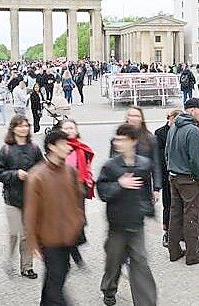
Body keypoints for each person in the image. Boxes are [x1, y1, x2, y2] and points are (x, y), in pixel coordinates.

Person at [97, 124, 159, 306]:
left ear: (133, 142)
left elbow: (146, 193)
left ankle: (146, 302)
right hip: (117, 225)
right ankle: (108, 288)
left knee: (140, 263)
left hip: (136, 224)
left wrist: (151, 214)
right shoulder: (110, 166)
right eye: (116, 139)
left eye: (122, 140)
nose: (117, 143)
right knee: (113, 262)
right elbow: (102, 192)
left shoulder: (144, 164)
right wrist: (119, 185)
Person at [24, 129, 86, 305]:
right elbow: (30, 212)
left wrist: (78, 221)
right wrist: (33, 242)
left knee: (57, 275)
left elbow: (77, 199)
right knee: (57, 279)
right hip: (49, 239)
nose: (68, 147)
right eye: (64, 144)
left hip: (68, 236)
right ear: (52, 146)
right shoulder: (37, 175)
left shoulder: (70, 171)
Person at [0, 115, 43, 280]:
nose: (24, 128)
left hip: (31, 198)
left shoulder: (34, 148)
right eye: (20, 126)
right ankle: (9, 259)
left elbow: (42, 168)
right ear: (13, 128)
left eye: (26, 125)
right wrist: (15, 174)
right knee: (15, 232)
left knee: (27, 234)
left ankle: (27, 267)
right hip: (12, 198)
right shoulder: (6, 149)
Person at [165, 97, 199, 265]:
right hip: (189, 179)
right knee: (193, 215)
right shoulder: (193, 130)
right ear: (192, 110)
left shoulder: (174, 126)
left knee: (175, 215)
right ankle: (192, 254)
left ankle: (174, 250)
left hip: (174, 176)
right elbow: (196, 159)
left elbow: (167, 153)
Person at [60, 118, 94, 266]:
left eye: (71, 128)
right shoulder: (57, 148)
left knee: (78, 223)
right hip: (62, 192)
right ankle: (72, 256)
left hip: (78, 191)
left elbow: (87, 167)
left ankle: (72, 250)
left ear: (76, 130)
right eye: (66, 128)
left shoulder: (82, 148)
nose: (69, 131)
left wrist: (89, 179)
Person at [154, 109, 180, 248]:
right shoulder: (160, 133)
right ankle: (167, 232)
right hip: (166, 174)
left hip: (178, 175)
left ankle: (179, 232)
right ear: (169, 118)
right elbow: (158, 157)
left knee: (179, 205)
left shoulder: (181, 132)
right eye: (173, 119)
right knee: (168, 205)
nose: (174, 122)